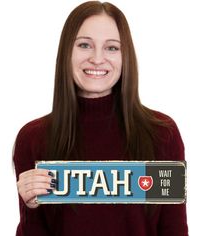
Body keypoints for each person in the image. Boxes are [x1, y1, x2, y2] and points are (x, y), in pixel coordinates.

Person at [13, 1, 189, 235]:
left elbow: (174, 230)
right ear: (67, 51)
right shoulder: (33, 138)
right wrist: (30, 208)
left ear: (126, 56)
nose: (97, 58)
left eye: (112, 48)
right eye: (85, 45)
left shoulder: (162, 133)